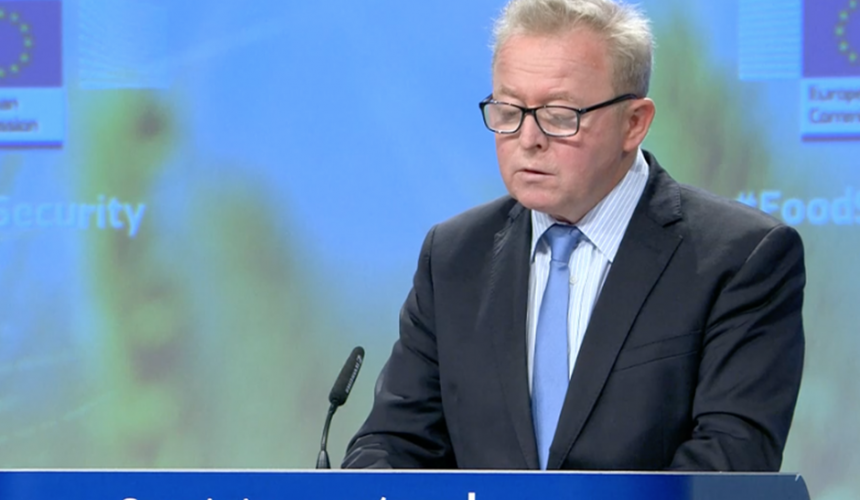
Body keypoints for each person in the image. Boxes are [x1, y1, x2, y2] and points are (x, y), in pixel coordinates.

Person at [343, 0, 805, 471]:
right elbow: (391, 445)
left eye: (559, 114)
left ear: (634, 123)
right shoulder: (454, 257)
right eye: (509, 110)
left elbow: (728, 463)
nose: (529, 138)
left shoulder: (740, 258)